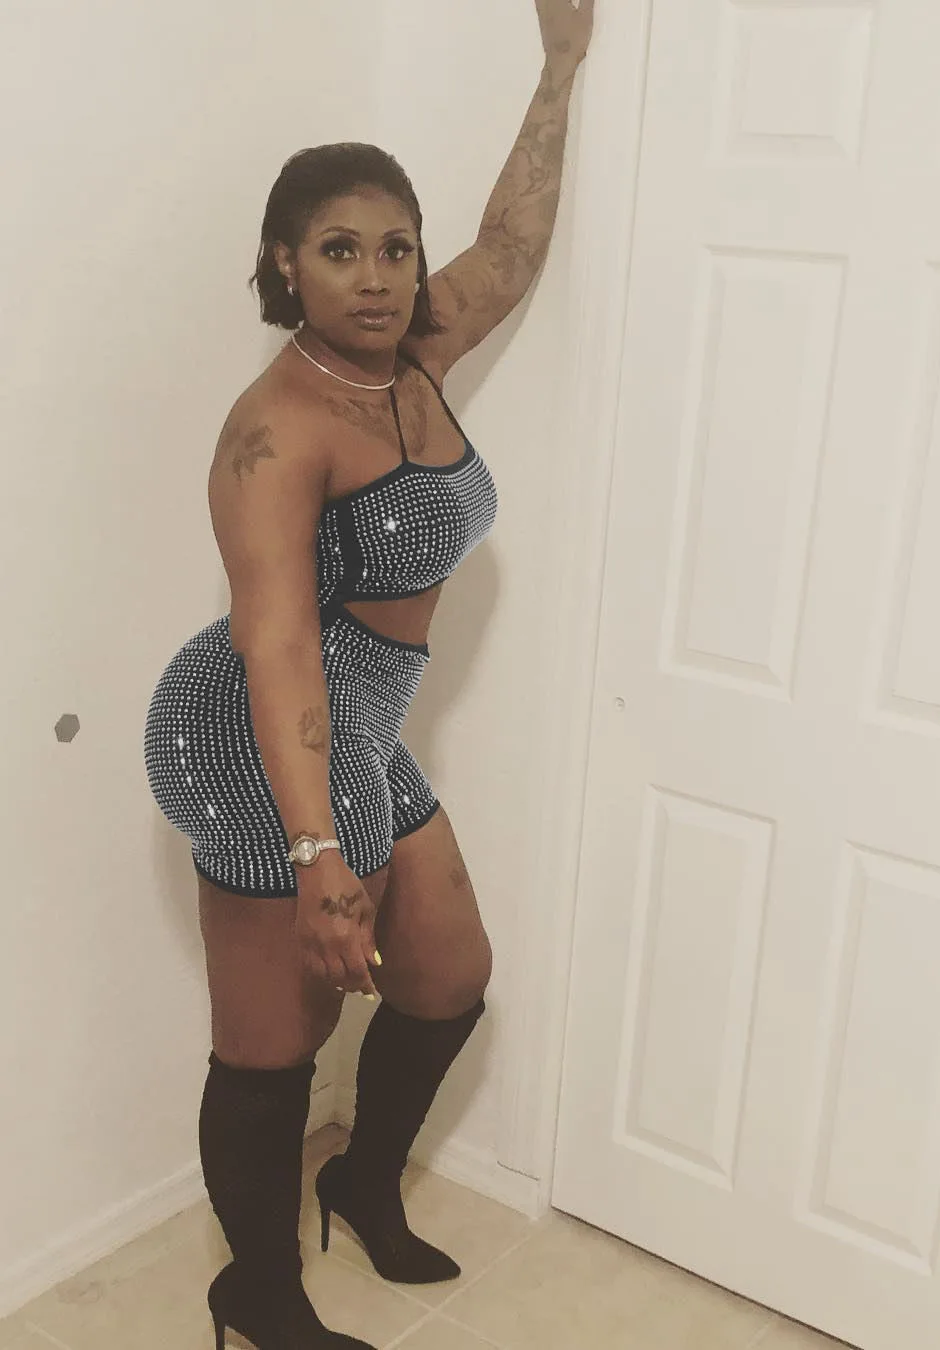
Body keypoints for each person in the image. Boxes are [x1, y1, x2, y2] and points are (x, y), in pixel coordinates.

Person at [142, 3, 595, 1346]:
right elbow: (279, 643)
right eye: (340, 250)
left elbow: (509, 249)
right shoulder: (276, 433)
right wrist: (317, 855)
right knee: (271, 1042)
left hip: (364, 722)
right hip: (254, 734)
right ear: (285, 264)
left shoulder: (413, 358)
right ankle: (257, 1291)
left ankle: (359, 1180)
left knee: (446, 976)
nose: (380, 276)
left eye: (395, 246)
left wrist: (559, 66)